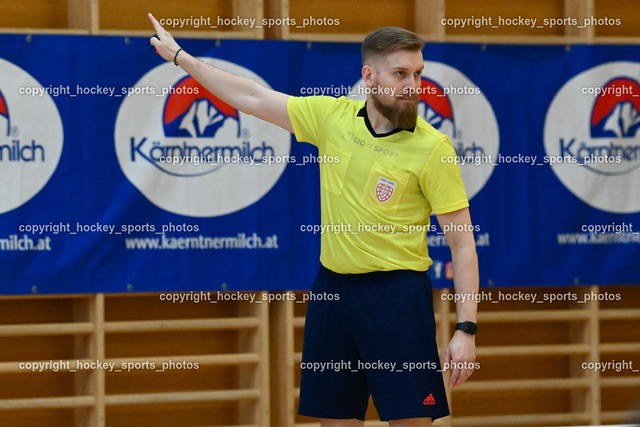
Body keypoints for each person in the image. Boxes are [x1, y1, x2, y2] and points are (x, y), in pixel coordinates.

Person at [149, 14, 478, 427]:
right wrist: (181, 57)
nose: (413, 86)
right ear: (369, 76)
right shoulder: (331, 119)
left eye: (417, 74)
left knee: (411, 422)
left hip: (398, 298)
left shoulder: (433, 148)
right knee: (332, 421)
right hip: (333, 293)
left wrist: (466, 329)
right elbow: (250, 95)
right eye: (400, 74)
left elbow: (462, 244)